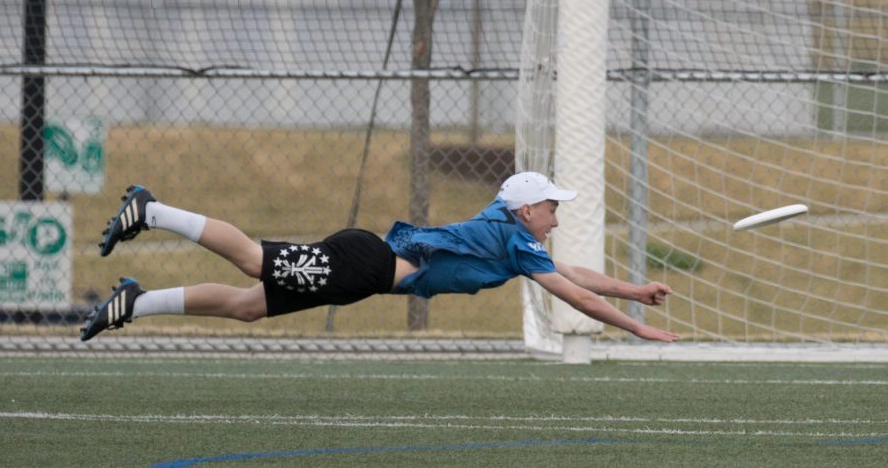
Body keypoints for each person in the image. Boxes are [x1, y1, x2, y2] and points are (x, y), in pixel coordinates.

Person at [79, 172, 679, 343]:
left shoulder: (515, 236)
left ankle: (136, 301)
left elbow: (572, 274)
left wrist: (634, 291)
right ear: (525, 211)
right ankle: (151, 211)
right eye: (552, 207)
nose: (557, 216)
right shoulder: (516, 239)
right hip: (363, 265)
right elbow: (571, 294)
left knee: (247, 308)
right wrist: (635, 327)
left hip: (362, 274)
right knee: (254, 263)